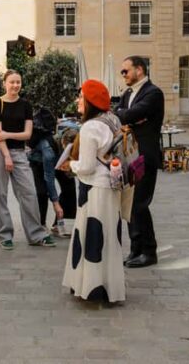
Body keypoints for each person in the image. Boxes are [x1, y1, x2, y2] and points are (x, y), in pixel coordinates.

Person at [60, 79, 126, 304]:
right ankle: (108, 286)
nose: (78, 100)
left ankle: (90, 286)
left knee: (92, 237)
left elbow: (87, 166)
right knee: (109, 238)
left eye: (81, 96)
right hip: (111, 186)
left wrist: (71, 165)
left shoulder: (90, 127)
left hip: (94, 189)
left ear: (90, 101)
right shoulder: (113, 120)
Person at [0, 70, 55, 250]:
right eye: (12, 82)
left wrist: (8, 134)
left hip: (19, 153)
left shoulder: (25, 104)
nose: (15, 85)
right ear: (4, 83)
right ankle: (5, 235)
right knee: (0, 194)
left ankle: (36, 234)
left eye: (18, 82)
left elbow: (27, 134)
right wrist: (7, 155)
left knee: (29, 193)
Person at [114, 56, 164, 268]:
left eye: (126, 71)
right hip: (130, 154)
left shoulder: (153, 93)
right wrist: (128, 117)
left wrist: (128, 117)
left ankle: (149, 251)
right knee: (130, 203)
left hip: (144, 154)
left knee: (140, 203)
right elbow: (119, 114)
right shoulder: (127, 93)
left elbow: (130, 114)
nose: (123, 75)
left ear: (140, 70)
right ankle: (135, 248)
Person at [27, 106, 65, 235]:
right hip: (38, 163)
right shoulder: (48, 146)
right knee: (41, 192)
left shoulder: (45, 140)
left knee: (67, 187)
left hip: (42, 160)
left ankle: (55, 224)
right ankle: (41, 224)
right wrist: (56, 203)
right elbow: (49, 177)